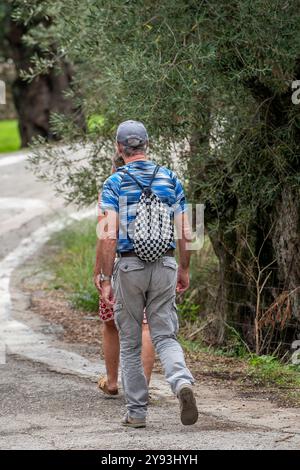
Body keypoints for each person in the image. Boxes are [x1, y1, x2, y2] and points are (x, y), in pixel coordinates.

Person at [98, 120, 198, 428]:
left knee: (129, 342)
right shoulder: (170, 179)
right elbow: (188, 230)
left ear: (119, 148)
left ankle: (137, 413)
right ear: (147, 145)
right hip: (165, 264)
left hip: (128, 266)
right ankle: (181, 381)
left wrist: (104, 276)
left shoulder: (114, 183)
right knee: (164, 334)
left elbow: (108, 235)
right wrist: (183, 267)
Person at [94, 153, 155, 397]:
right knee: (146, 326)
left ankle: (112, 382)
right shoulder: (156, 183)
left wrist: (99, 271)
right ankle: (142, 388)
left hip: (120, 263)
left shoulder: (111, 187)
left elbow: (105, 234)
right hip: (154, 262)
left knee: (111, 323)